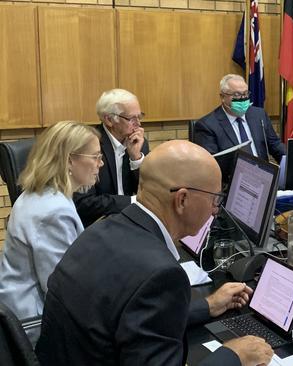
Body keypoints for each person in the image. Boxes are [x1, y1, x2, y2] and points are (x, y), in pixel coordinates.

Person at [36, 140, 273, 366]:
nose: (215, 211)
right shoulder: (160, 275)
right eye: (215, 199)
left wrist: (207, 305)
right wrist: (233, 355)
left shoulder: (100, 231)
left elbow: (131, 316)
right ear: (182, 199)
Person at [0, 121, 103, 344]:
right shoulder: (53, 211)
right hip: (34, 326)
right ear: (69, 160)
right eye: (95, 156)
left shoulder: (40, 194)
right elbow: (63, 290)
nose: (100, 163)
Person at [73, 88, 150, 227]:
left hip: (131, 222)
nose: (138, 124)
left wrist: (136, 158)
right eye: (132, 118)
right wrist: (132, 202)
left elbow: (148, 190)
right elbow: (84, 202)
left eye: (140, 116)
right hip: (98, 225)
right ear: (109, 119)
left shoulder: (139, 143)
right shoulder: (88, 145)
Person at [194, 74, 285, 162]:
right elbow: (211, 164)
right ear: (222, 96)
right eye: (236, 94)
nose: (243, 99)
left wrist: (290, 161)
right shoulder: (207, 126)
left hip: (262, 173)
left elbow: (275, 145)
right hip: (232, 176)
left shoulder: (259, 115)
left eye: (245, 94)